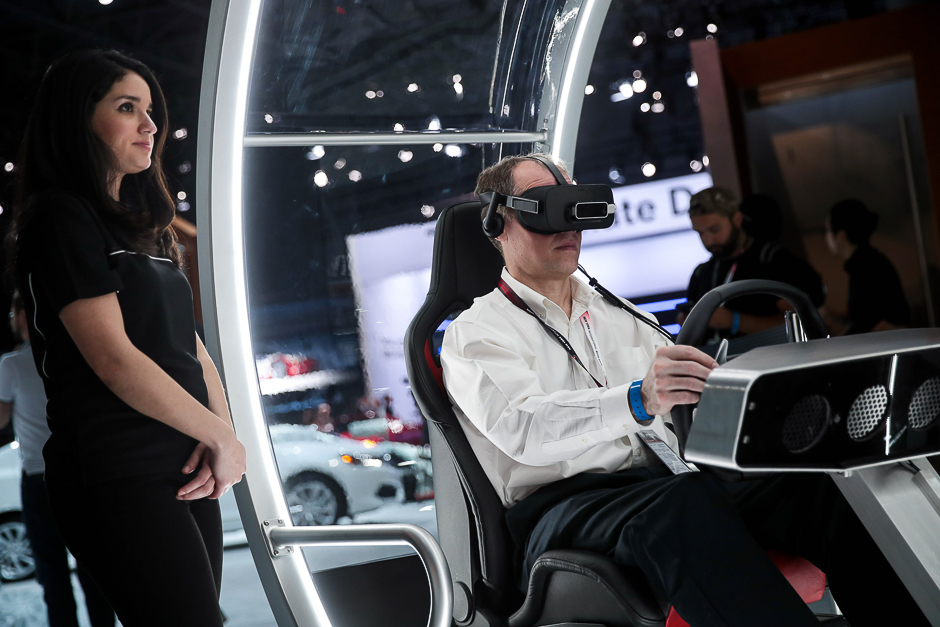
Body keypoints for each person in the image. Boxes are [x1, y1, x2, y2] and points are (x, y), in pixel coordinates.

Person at [441, 153, 928, 626]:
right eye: (547, 207)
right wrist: (639, 398)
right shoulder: (476, 333)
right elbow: (523, 428)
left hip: (663, 483)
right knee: (682, 504)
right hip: (562, 506)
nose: (569, 224)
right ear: (498, 223)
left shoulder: (620, 314)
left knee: (815, 485)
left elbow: (689, 397)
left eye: (575, 205)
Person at [10, 49, 246, 626]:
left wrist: (223, 438)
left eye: (150, 110)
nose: (150, 125)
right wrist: (217, 435)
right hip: (117, 469)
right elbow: (113, 359)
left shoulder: (144, 225)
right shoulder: (60, 216)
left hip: (185, 463)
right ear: (79, 119)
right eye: (126, 107)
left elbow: (189, 347)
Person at [0, 292, 115, 627]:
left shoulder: (12, 364)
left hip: (39, 477)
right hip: (84, 475)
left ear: (24, 316)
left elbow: (1, 420)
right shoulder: (76, 354)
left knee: (53, 575)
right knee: (94, 570)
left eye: (12, 312)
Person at [681, 187, 825, 338]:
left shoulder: (773, 261)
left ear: (736, 219)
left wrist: (735, 321)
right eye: (700, 233)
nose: (708, 241)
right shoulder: (702, 273)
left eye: (715, 230)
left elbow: (802, 323)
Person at [825, 199, 911, 335]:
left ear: (841, 235)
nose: (827, 236)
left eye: (828, 230)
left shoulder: (865, 266)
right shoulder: (867, 261)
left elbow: (870, 323)